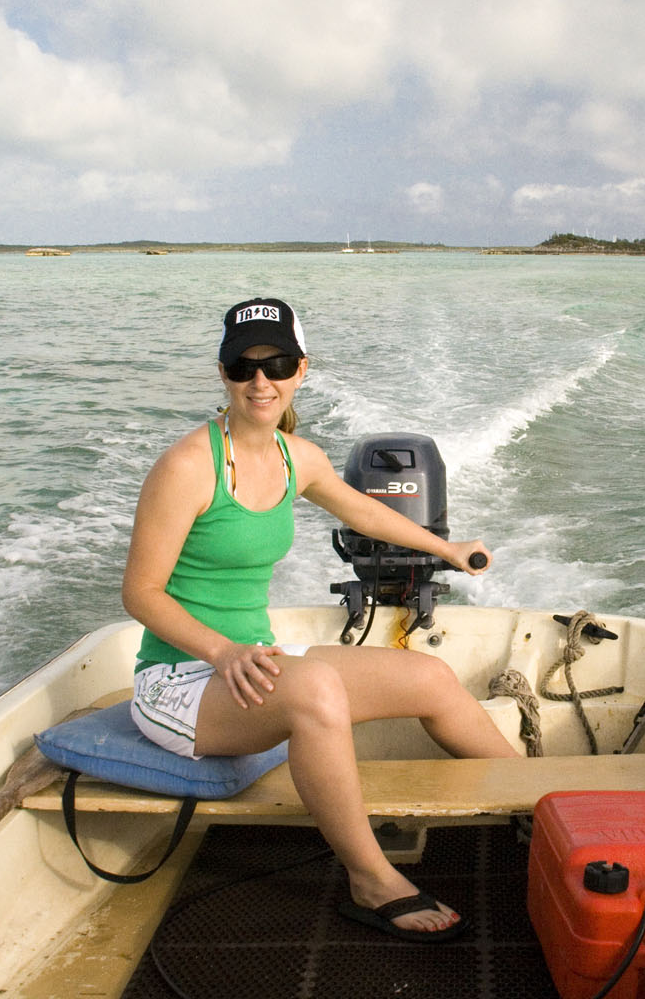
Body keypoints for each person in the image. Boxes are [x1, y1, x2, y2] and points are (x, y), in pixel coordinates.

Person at [121, 297, 519, 942]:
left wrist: (447, 550)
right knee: (315, 690)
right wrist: (223, 652)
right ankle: (371, 879)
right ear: (223, 374)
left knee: (430, 679)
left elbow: (363, 512)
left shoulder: (295, 457)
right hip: (179, 682)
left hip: (254, 663)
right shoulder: (188, 466)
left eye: (277, 364)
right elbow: (140, 593)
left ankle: (537, 807)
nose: (261, 381)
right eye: (243, 366)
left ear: (301, 369)